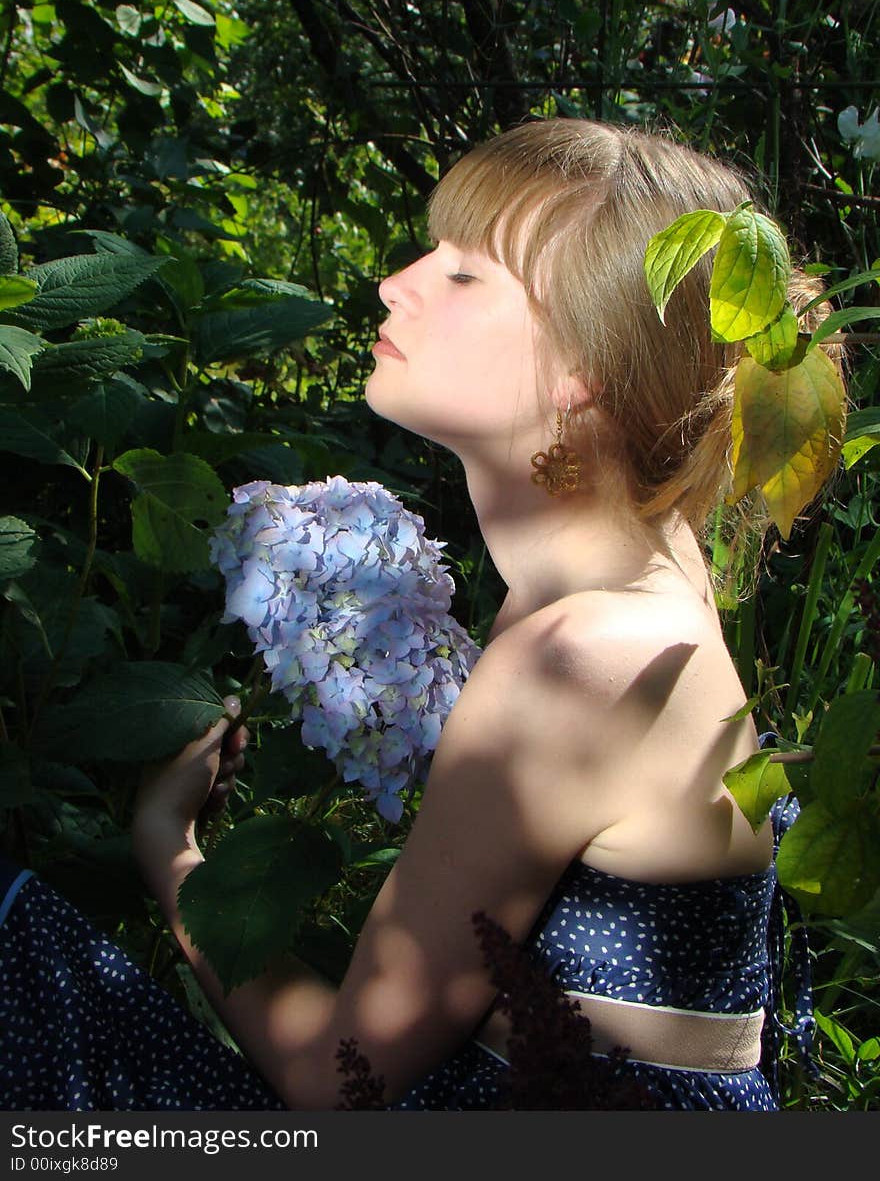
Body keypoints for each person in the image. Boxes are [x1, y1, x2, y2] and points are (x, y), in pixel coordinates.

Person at [1, 118, 822, 1112]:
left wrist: (167, 846)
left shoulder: (581, 655)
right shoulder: (647, 565)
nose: (397, 282)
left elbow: (337, 1077)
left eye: (467, 273)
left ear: (584, 369)